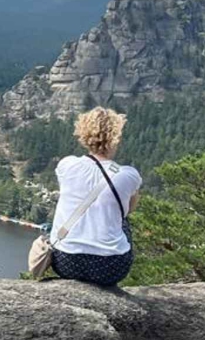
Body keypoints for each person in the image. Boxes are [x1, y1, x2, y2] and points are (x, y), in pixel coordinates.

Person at [49, 107, 141, 286]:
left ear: (83, 135)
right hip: (110, 267)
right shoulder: (128, 175)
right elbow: (129, 210)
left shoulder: (66, 165)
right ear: (116, 138)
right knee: (121, 220)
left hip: (66, 262)